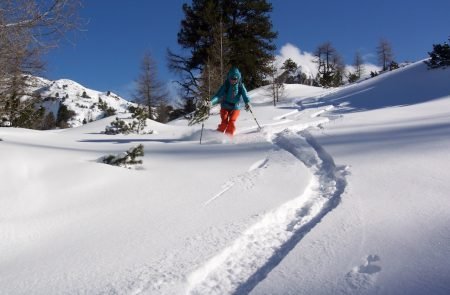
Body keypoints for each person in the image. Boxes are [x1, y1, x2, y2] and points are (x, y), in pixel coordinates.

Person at [207, 67, 251, 136]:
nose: (233, 81)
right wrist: (211, 102)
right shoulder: (226, 85)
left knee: (231, 123)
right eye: (231, 79)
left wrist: (247, 103)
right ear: (229, 78)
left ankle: (228, 139)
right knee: (224, 123)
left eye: (235, 79)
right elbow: (218, 95)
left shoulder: (240, 86)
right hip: (225, 106)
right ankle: (216, 136)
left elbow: (245, 95)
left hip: (236, 107)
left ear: (238, 78)